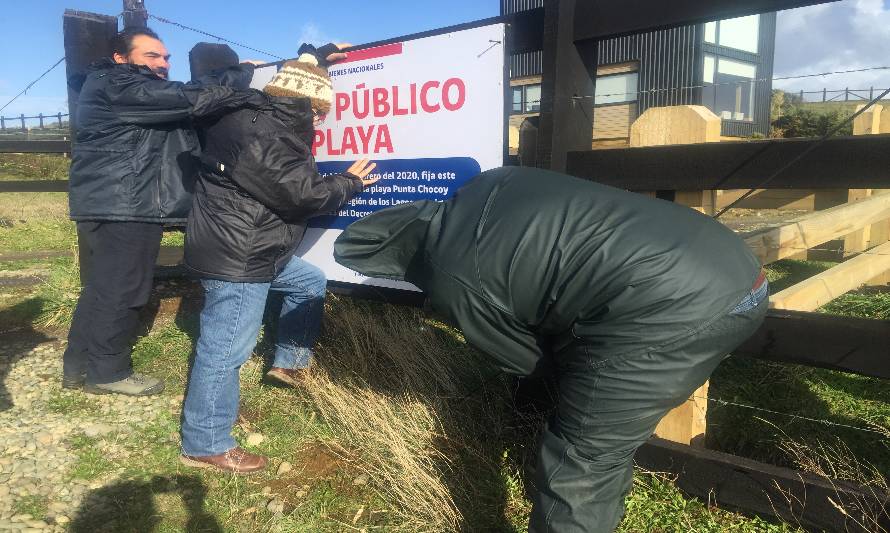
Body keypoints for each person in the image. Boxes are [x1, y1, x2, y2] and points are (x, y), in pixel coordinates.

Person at [333, 167, 768, 532]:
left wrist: (570, 399)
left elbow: (526, 359)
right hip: (737, 265)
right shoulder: (491, 182)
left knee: (583, 458)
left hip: (672, 306)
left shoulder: (451, 277)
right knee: (597, 424)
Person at [179, 46, 379, 474]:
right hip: (241, 257)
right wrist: (350, 182)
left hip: (245, 244)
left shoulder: (248, 113)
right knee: (226, 349)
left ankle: (289, 364)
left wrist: (317, 57)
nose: (322, 121)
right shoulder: (270, 137)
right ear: (310, 107)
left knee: (308, 282)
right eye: (321, 112)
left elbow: (299, 85)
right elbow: (301, 196)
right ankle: (205, 443)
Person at [63, 27, 272, 396]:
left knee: (103, 287)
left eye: (165, 57)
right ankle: (107, 372)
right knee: (124, 289)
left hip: (117, 201)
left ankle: (79, 366)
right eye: (151, 56)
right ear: (121, 58)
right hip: (126, 203)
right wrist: (240, 72)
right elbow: (190, 96)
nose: (163, 64)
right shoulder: (119, 84)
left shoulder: (116, 85)